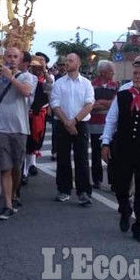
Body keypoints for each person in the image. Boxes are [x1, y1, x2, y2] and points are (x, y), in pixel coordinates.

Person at [101, 60, 140, 243]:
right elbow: (112, 120)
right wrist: (105, 142)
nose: (137, 77)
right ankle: (125, 209)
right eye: (135, 73)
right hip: (123, 147)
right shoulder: (123, 94)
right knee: (120, 185)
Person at [0, 47, 36, 220]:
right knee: (5, 168)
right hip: (0, 128)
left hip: (19, 128)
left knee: (16, 167)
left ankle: (14, 193)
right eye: (8, 56)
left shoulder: (26, 76)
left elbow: (26, 92)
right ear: (4, 58)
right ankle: (8, 205)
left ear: (20, 60)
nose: (11, 59)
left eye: (15, 57)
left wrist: (10, 77)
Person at [50, 53, 95, 206]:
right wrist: (67, 122)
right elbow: (55, 104)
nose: (67, 63)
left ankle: (83, 191)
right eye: (66, 60)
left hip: (80, 123)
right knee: (63, 158)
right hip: (63, 123)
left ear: (78, 63)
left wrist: (75, 121)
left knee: (81, 158)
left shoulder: (86, 83)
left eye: (71, 60)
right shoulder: (59, 83)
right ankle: (63, 189)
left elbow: (89, 104)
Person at [21, 54, 52, 186]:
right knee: (24, 143)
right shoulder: (26, 76)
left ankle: (28, 168)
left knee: (34, 142)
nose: (37, 64)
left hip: (39, 115)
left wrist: (44, 70)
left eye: (41, 61)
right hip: (25, 113)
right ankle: (23, 172)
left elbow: (50, 85)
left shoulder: (46, 78)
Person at [89, 60, 119, 189]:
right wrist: (106, 103)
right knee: (96, 152)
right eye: (111, 71)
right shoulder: (92, 85)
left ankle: (113, 181)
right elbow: (90, 104)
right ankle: (97, 179)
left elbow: (116, 104)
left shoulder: (115, 85)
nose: (113, 73)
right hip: (94, 124)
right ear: (103, 72)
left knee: (113, 152)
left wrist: (101, 102)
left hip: (111, 124)